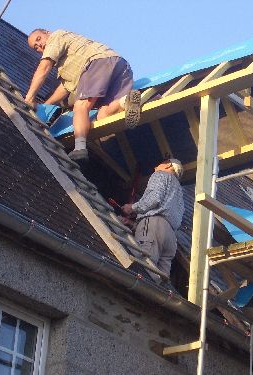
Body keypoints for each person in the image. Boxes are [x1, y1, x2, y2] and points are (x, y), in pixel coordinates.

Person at [24, 29, 141, 161]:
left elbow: (44, 68)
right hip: (119, 65)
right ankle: (125, 102)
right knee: (103, 116)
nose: (40, 46)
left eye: (38, 39)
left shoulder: (56, 36)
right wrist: (46, 105)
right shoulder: (67, 59)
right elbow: (65, 88)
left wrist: (28, 99)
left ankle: (79, 147)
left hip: (97, 63)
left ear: (47, 32)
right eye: (36, 47)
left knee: (80, 106)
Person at [122, 159, 185, 278]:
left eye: (160, 163)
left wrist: (132, 207)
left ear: (168, 165)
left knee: (144, 270)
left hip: (154, 226)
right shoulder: (179, 191)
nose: (156, 167)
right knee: (160, 279)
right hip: (171, 237)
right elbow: (166, 216)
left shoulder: (160, 175)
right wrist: (133, 224)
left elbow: (154, 199)